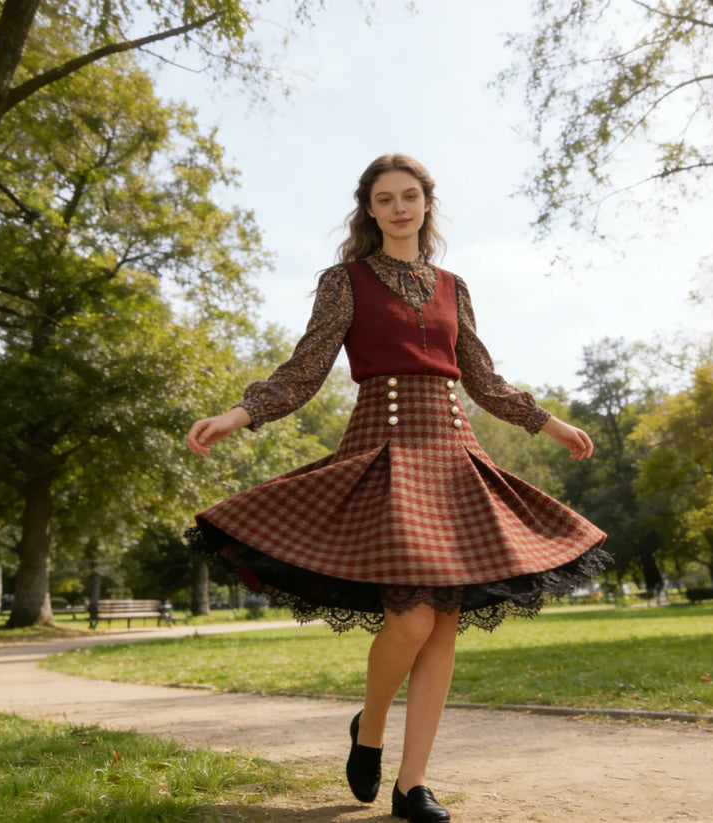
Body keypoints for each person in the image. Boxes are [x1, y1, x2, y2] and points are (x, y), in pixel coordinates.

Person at [186, 153, 608, 822]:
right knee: (410, 617)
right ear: (370, 209)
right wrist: (238, 416)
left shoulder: (452, 285)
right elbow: (304, 370)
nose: (399, 207)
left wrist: (549, 424)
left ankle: (412, 785)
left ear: (425, 203)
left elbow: (482, 378)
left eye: (409, 196)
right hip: (382, 449)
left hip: (450, 452)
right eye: (385, 199)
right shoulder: (344, 281)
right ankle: (370, 726)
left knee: (442, 626)